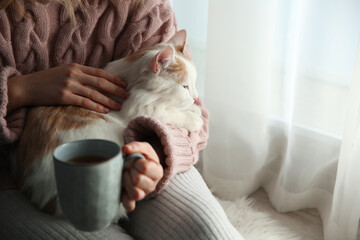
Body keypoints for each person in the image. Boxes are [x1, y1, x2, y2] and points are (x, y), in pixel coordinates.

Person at [0, 1, 244, 239]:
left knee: (208, 231)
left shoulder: (142, 7)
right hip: (22, 173)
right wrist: (20, 90)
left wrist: (155, 152)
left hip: (143, 154)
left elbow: (194, 118)